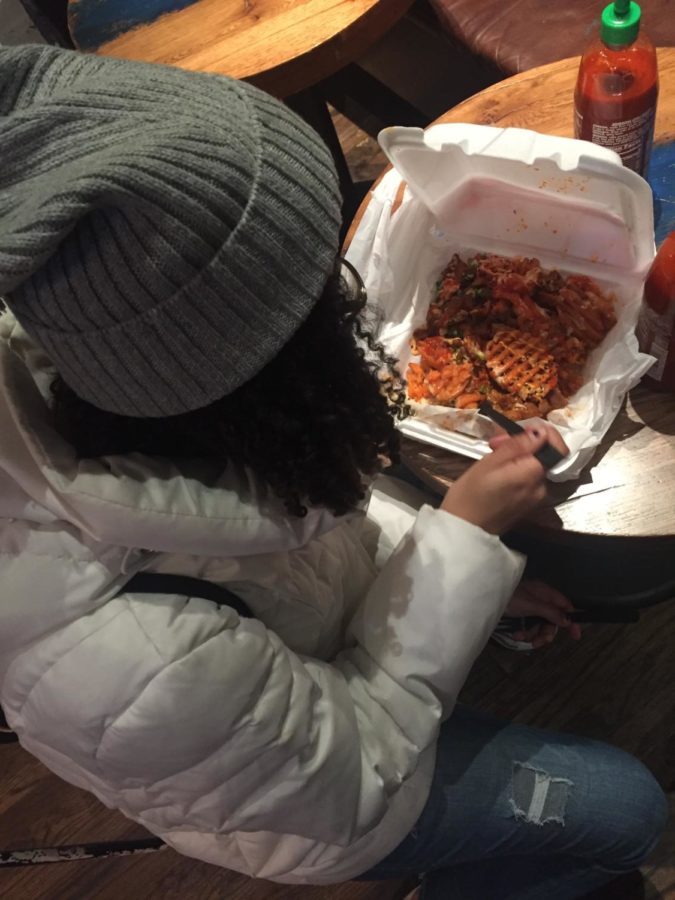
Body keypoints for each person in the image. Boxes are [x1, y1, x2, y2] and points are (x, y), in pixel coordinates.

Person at [0, 44, 667, 900]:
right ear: (272, 376)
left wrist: (441, 562)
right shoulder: (123, 663)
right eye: (325, 304)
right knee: (628, 815)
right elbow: (351, 778)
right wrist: (460, 541)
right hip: (323, 812)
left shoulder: (131, 392)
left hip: (302, 657)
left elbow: (288, 531)